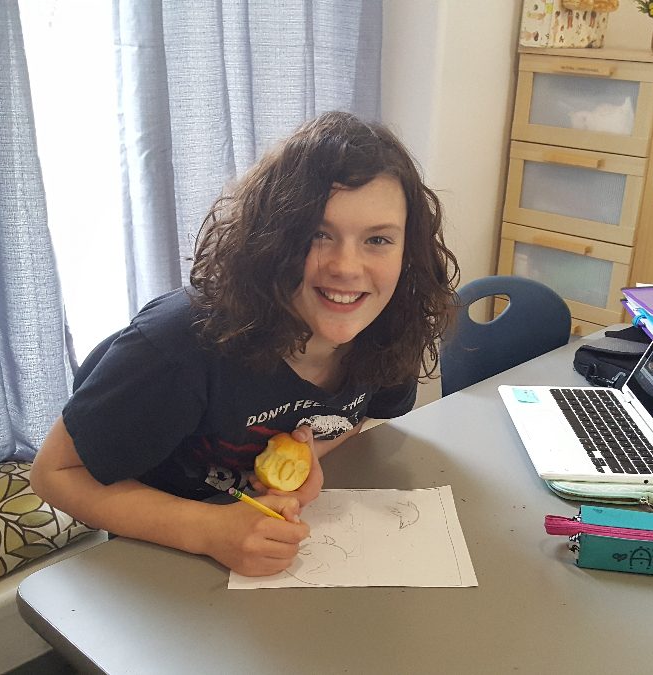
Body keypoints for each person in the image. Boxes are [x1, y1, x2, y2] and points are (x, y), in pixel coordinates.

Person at [31, 111, 459, 577]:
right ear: (273, 238)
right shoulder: (179, 348)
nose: (346, 267)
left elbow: (356, 418)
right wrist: (209, 530)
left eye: (378, 239)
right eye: (318, 234)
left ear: (408, 251)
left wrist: (308, 460)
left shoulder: (390, 324)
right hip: (162, 559)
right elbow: (54, 474)